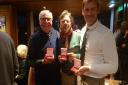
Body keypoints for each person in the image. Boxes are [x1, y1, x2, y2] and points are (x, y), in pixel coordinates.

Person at [76, 0, 118, 85]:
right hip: (80, 78)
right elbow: (86, 53)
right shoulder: (83, 30)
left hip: (95, 81)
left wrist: (89, 68)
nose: (89, 13)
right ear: (82, 11)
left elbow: (113, 67)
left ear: (98, 10)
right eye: (87, 9)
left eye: (92, 9)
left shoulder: (106, 34)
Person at [26, 9, 61, 85]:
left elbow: (59, 54)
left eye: (48, 19)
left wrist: (60, 58)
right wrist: (42, 61)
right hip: (42, 79)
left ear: (52, 20)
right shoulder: (34, 37)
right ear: (39, 21)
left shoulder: (56, 33)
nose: (46, 21)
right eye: (43, 19)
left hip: (56, 78)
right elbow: (29, 61)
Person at [58, 10, 81, 85]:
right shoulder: (57, 38)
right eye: (63, 21)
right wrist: (58, 58)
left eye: (67, 21)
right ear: (60, 23)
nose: (65, 23)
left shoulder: (78, 36)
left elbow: (84, 54)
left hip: (77, 73)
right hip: (63, 74)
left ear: (71, 23)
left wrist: (76, 56)